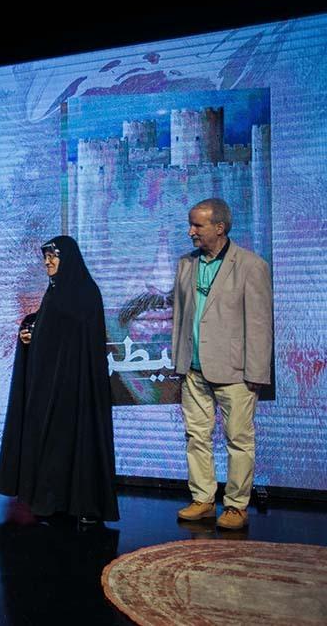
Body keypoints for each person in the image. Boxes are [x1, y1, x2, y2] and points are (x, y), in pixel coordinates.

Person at [0, 235, 119, 524]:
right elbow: (48, 326)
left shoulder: (85, 293)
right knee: (52, 445)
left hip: (76, 389)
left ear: (69, 259)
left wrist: (39, 331)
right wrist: (30, 328)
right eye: (45, 257)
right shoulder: (54, 291)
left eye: (53, 256)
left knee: (76, 445)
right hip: (51, 387)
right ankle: (52, 502)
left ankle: (83, 505)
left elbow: (73, 337)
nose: (48, 262)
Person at [171, 198, 272, 530]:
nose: (191, 232)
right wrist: (179, 360)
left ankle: (236, 505)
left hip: (235, 371)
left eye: (197, 226)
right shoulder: (186, 264)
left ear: (220, 227)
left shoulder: (251, 265)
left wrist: (257, 371)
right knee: (195, 435)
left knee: (239, 439)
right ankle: (202, 499)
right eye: (190, 225)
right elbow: (180, 316)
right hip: (193, 368)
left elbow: (259, 324)